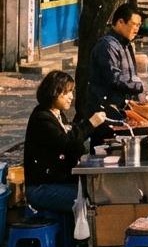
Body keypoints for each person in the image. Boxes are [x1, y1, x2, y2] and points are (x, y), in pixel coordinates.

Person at [24, 71, 105, 213]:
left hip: (57, 181)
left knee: (94, 191)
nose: (71, 97)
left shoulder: (58, 114)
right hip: (41, 187)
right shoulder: (42, 118)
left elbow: (74, 144)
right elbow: (67, 143)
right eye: (67, 93)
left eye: (71, 92)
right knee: (85, 200)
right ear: (54, 92)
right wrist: (90, 124)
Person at [84, 3, 147, 122]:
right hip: (105, 110)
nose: (136, 29)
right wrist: (139, 86)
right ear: (120, 22)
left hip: (120, 107)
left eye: (139, 25)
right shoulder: (107, 45)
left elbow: (130, 75)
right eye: (134, 24)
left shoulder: (125, 44)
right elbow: (114, 78)